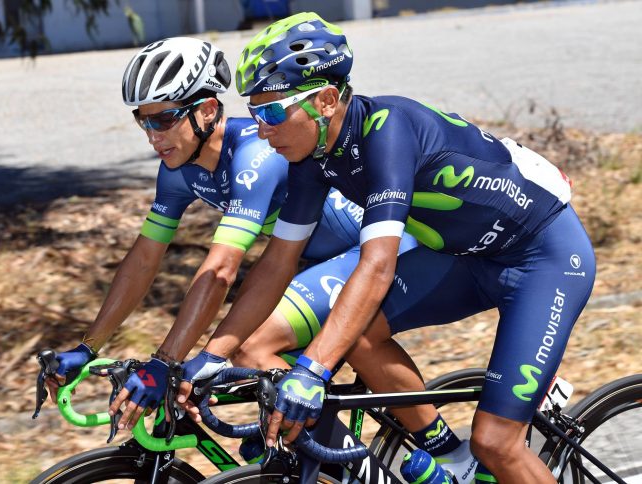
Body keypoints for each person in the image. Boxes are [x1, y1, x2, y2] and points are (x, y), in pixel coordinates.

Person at [177, 13, 596, 484]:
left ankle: (487, 445)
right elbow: (277, 263)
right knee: (355, 331)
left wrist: (313, 370)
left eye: (272, 112)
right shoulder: (311, 158)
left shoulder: (388, 131)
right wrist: (214, 354)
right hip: (471, 257)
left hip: (544, 257)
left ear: (326, 100)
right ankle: (450, 460)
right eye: (254, 113)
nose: (261, 128)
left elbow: (377, 267)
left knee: (496, 442)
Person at [43, 36, 415, 435]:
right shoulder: (177, 170)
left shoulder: (256, 154)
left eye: (164, 119)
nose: (153, 136)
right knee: (241, 373)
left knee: (252, 348)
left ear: (205, 111)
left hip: (369, 253)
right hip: (313, 263)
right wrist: (88, 347)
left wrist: (165, 361)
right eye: (143, 120)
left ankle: (346, 465)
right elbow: (143, 260)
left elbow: (221, 269)